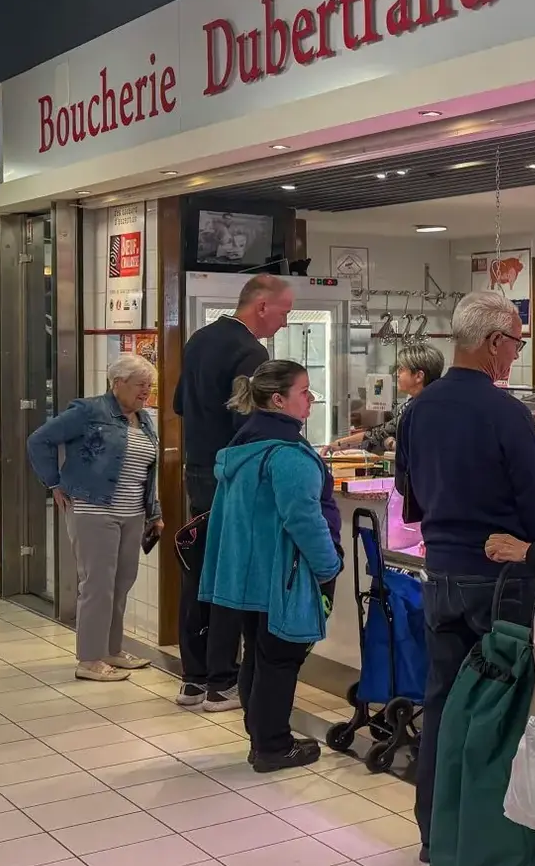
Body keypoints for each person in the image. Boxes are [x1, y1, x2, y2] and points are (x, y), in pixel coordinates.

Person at [397, 290, 535, 849]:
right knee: (501, 710)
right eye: (516, 343)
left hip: (440, 575)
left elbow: (410, 496)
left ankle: (436, 832)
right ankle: (490, 843)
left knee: (443, 703)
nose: (516, 353)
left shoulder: (418, 409)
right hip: (501, 583)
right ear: (493, 342)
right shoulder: (508, 414)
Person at [197, 360, 343, 772]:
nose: (311, 400)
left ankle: (261, 736)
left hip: (250, 574)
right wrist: (328, 566)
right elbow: (304, 520)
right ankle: (273, 745)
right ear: (278, 400)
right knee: (281, 658)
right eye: (304, 392)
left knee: (260, 656)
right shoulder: (288, 455)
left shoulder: (244, 446)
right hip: (286, 574)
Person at [174, 273, 294, 710]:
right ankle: (222, 681)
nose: (285, 321)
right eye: (284, 311)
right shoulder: (251, 352)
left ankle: (193, 677)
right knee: (230, 576)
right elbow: (249, 424)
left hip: (197, 470)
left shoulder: (199, 340)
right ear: (261, 306)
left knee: (198, 571)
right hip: (233, 478)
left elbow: (179, 404)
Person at [26, 354, 163, 681]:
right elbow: (39, 440)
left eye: (149, 385)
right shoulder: (89, 411)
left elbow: (147, 472)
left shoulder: (143, 419)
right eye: (140, 384)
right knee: (98, 585)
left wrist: (154, 512)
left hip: (132, 513)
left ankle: (111, 650)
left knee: (122, 582)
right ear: (118, 383)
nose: (146, 391)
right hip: (94, 509)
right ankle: (89, 659)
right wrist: (54, 482)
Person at [330, 342, 444, 453]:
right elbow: (383, 430)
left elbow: (381, 435)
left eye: (401, 369)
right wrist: (339, 444)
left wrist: (390, 443)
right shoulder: (413, 404)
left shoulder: (425, 409)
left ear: (419, 376)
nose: (396, 374)